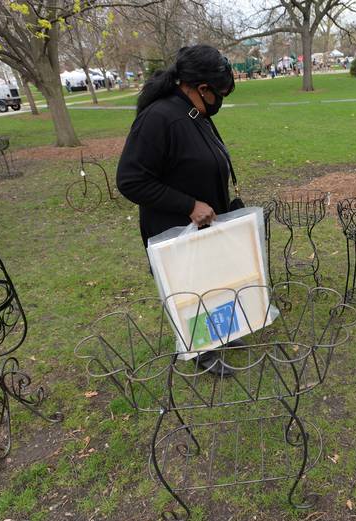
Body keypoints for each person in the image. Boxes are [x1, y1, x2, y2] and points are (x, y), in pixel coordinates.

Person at [116, 45, 238, 376]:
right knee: (190, 288)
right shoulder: (159, 119)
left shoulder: (192, 113)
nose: (220, 101)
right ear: (201, 88)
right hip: (175, 226)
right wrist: (189, 205)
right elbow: (130, 180)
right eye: (220, 93)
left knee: (213, 280)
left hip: (206, 224)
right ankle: (202, 347)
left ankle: (221, 333)